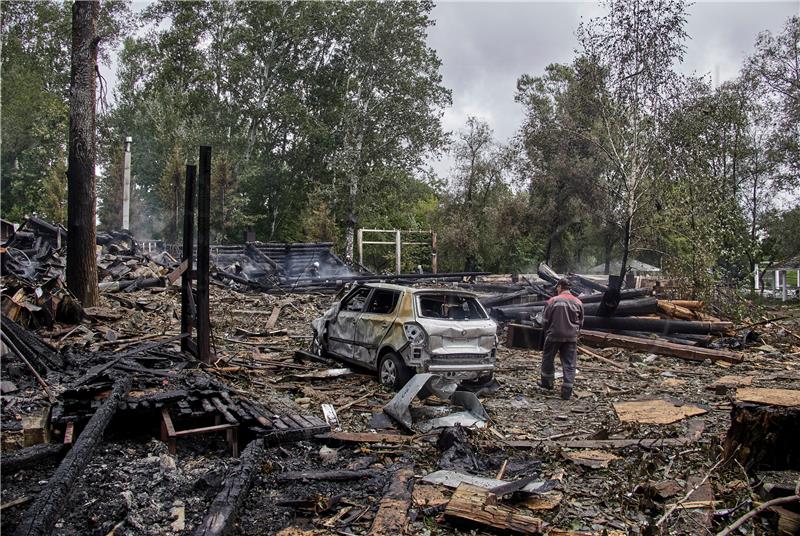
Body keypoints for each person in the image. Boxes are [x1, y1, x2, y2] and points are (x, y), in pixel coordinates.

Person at [540, 278, 584, 400]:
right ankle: (567, 390)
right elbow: (581, 322)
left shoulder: (552, 301)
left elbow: (545, 321)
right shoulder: (578, 302)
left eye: (557, 288)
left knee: (548, 358)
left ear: (560, 287)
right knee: (569, 363)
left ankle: (547, 384)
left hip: (554, 335)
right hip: (571, 337)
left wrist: (547, 331)